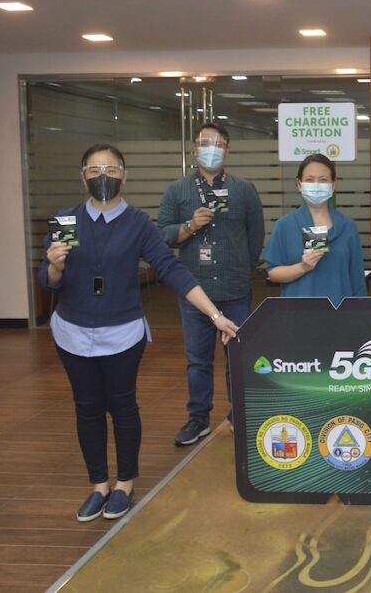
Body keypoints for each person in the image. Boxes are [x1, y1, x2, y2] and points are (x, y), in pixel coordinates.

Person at [39, 144, 238, 522]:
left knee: (122, 406)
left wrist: (214, 315)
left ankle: (125, 484)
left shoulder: (138, 224)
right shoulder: (65, 220)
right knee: (87, 408)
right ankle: (98, 485)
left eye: (111, 169)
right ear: (83, 175)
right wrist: (53, 266)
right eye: (95, 169)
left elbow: (172, 270)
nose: (103, 176)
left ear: (124, 176)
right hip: (73, 333)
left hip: (121, 334)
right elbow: (48, 282)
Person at [158, 122, 264, 446]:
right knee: (198, 360)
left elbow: (256, 236)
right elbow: (162, 235)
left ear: (228, 150)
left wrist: (243, 266)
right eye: (205, 143)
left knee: (239, 355)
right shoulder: (177, 191)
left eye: (218, 143)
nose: (211, 148)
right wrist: (190, 226)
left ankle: (239, 413)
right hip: (195, 290)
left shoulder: (244, 190)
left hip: (235, 289)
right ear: (194, 149)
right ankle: (198, 419)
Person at [264, 154, 367, 302]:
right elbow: (273, 272)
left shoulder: (347, 227)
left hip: (340, 314)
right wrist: (302, 267)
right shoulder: (285, 225)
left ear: (333, 185)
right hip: (298, 314)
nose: (316, 185)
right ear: (299, 185)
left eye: (323, 179)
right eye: (309, 180)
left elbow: (357, 280)